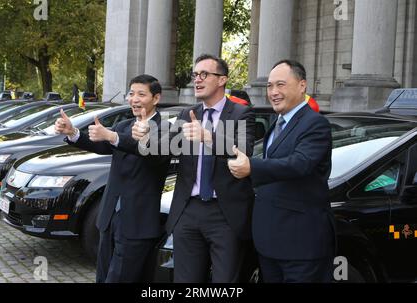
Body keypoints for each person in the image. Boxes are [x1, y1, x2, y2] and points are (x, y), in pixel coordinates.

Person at [133, 54, 256, 282]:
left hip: (225, 214)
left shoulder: (241, 113)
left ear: (222, 80)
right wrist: (145, 138)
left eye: (204, 74)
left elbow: (244, 150)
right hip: (188, 211)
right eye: (195, 75)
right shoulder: (187, 114)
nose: (197, 80)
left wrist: (207, 136)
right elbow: (163, 150)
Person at [54, 74, 170, 283]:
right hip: (109, 218)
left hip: (137, 224)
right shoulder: (124, 125)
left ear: (156, 98)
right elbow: (102, 145)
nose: (134, 99)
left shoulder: (165, 130)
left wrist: (111, 136)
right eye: (131, 93)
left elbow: (151, 152)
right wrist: (73, 133)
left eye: (141, 94)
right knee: (103, 276)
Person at [228, 59, 335, 283]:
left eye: (281, 85)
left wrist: (252, 167)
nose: (273, 92)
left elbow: (299, 163)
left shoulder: (315, 123)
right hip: (270, 244)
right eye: (269, 86)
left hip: (301, 245)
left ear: (302, 85)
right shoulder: (278, 123)